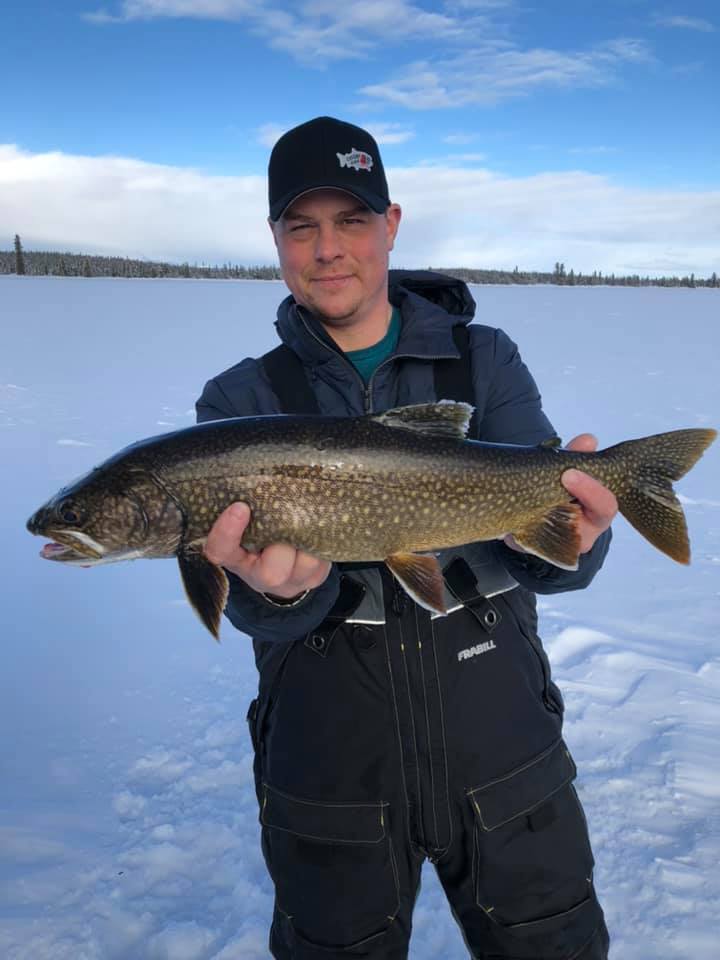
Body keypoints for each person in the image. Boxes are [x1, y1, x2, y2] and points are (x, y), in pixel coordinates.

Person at [196, 116, 616, 960]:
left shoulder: (483, 361)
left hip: (504, 750)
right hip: (330, 772)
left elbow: (553, 558)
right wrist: (275, 592)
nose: (328, 250)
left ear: (390, 225)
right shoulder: (243, 399)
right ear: (274, 238)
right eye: (301, 226)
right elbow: (258, 610)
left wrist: (575, 536)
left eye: (351, 221)